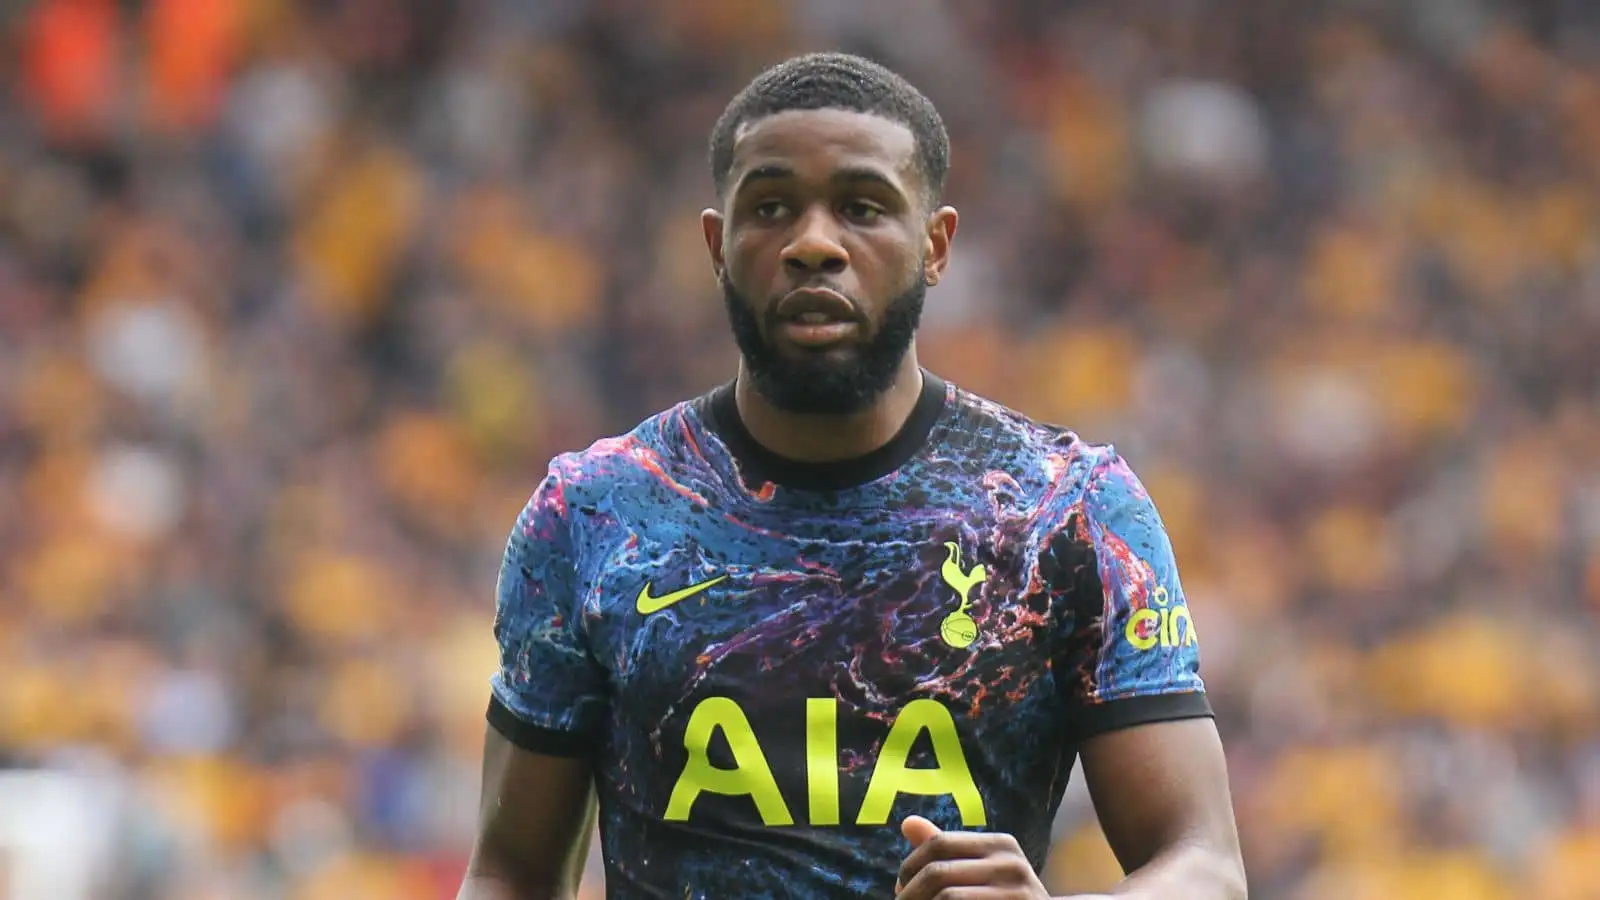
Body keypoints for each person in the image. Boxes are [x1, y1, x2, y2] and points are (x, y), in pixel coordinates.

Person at [457, 52, 1246, 900]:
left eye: (863, 208)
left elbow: (1202, 863)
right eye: (770, 208)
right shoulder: (594, 512)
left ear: (935, 245)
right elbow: (510, 870)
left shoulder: (1068, 512)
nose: (813, 244)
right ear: (718, 245)